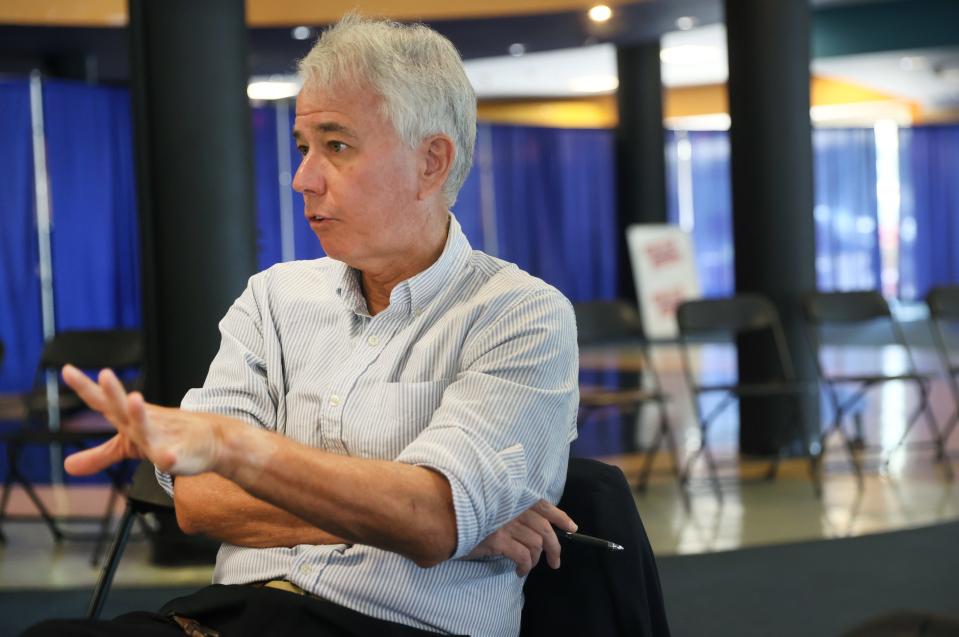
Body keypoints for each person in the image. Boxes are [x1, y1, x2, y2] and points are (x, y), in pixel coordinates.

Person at [24, 13, 579, 637]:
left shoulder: (518, 314)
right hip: (231, 617)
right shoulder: (275, 298)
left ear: (431, 162)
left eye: (337, 146)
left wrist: (238, 450)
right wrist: (408, 517)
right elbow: (200, 499)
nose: (302, 178)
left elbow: (431, 520)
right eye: (303, 147)